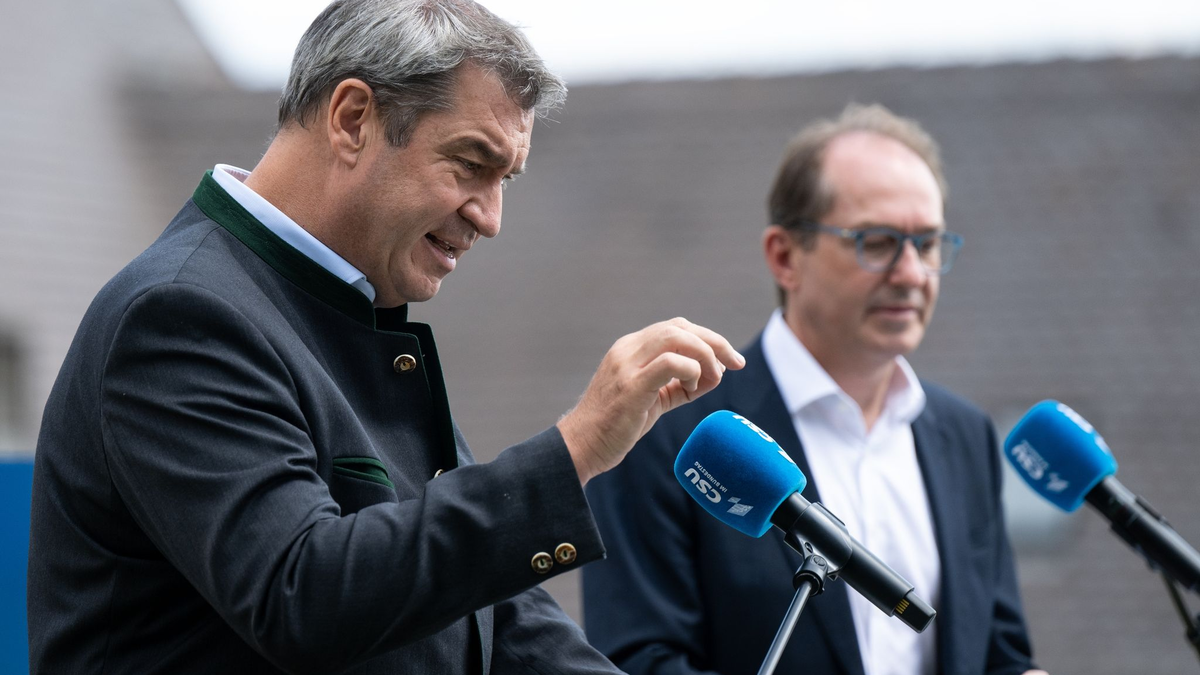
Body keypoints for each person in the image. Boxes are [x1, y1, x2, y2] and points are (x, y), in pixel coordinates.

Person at [25, 1, 744, 673]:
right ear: (352, 117)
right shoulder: (179, 314)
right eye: (470, 164)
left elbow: (494, 619)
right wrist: (577, 447)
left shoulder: (341, 311)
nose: (491, 217)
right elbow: (302, 594)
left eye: (507, 178)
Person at [582, 104, 1046, 675]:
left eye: (926, 244)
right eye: (877, 242)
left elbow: (999, 654)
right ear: (784, 256)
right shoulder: (675, 432)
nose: (910, 273)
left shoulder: (966, 436)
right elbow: (639, 660)